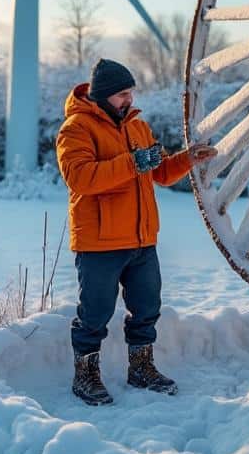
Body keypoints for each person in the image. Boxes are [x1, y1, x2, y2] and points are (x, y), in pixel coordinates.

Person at [55, 58, 217, 405]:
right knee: (94, 314)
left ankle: (141, 369)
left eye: (130, 93)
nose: (129, 99)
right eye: (122, 94)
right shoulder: (76, 128)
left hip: (142, 240)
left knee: (146, 308)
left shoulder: (137, 127)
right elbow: (80, 177)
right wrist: (133, 162)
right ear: (102, 95)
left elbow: (158, 172)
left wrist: (188, 159)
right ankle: (85, 376)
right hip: (99, 243)